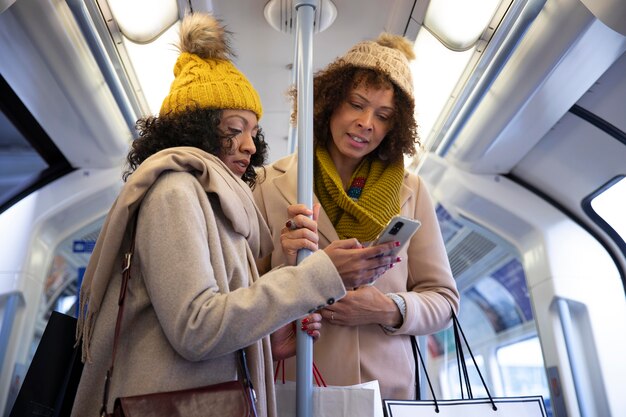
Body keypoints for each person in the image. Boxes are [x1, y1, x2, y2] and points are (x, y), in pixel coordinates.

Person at [70, 13, 399, 417]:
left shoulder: (214, 201)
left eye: (253, 132)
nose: (248, 145)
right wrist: (320, 274)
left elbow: (210, 324)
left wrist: (265, 344)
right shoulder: (174, 192)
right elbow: (196, 328)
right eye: (235, 128)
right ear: (198, 128)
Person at [253, 33, 460, 400]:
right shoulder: (270, 183)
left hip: (387, 389)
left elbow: (443, 301)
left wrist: (389, 308)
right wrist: (282, 261)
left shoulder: (410, 190)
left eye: (383, 116)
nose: (367, 123)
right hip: (301, 382)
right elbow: (242, 290)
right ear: (329, 103)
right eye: (356, 104)